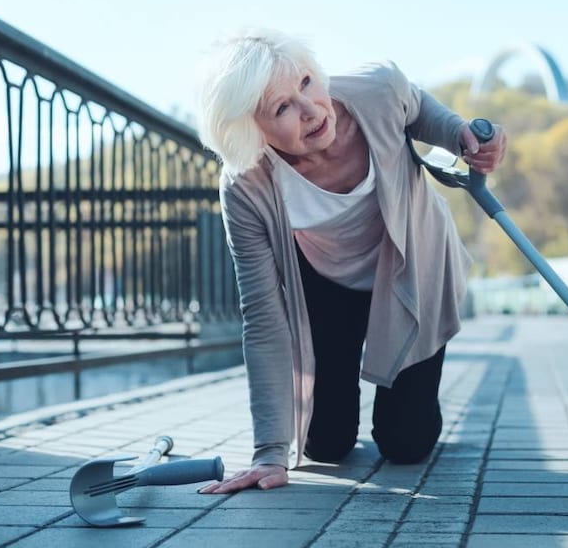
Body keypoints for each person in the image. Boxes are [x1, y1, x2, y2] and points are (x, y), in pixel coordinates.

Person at [193, 28, 507, 493]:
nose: (310, 109)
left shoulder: (377, 89)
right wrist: (269, 452)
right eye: (281, 108)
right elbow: (263, 317)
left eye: (305, 83)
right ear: (251, 132)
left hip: (408, 269)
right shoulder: (246, 185)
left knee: (405, 444)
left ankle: (413, 399)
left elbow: (417, 108)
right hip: (326, 283)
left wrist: (459, 134)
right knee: (324, 445)